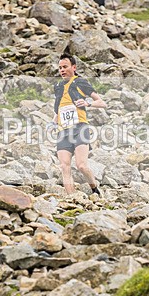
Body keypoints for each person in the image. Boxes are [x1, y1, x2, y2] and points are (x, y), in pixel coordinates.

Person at [52, 54, 106, 195]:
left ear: (74, 67)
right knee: (64, 167)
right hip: (63, 131)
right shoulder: (58, 86)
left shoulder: (80, 82)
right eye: (60, 68)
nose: (62, 70)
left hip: (80, 128)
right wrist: (54, 119)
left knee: (81, 165)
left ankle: (94, 189)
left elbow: (102, 103)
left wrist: (87, 103)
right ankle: (72, 198)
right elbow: (60, 108)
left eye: (65, 67)